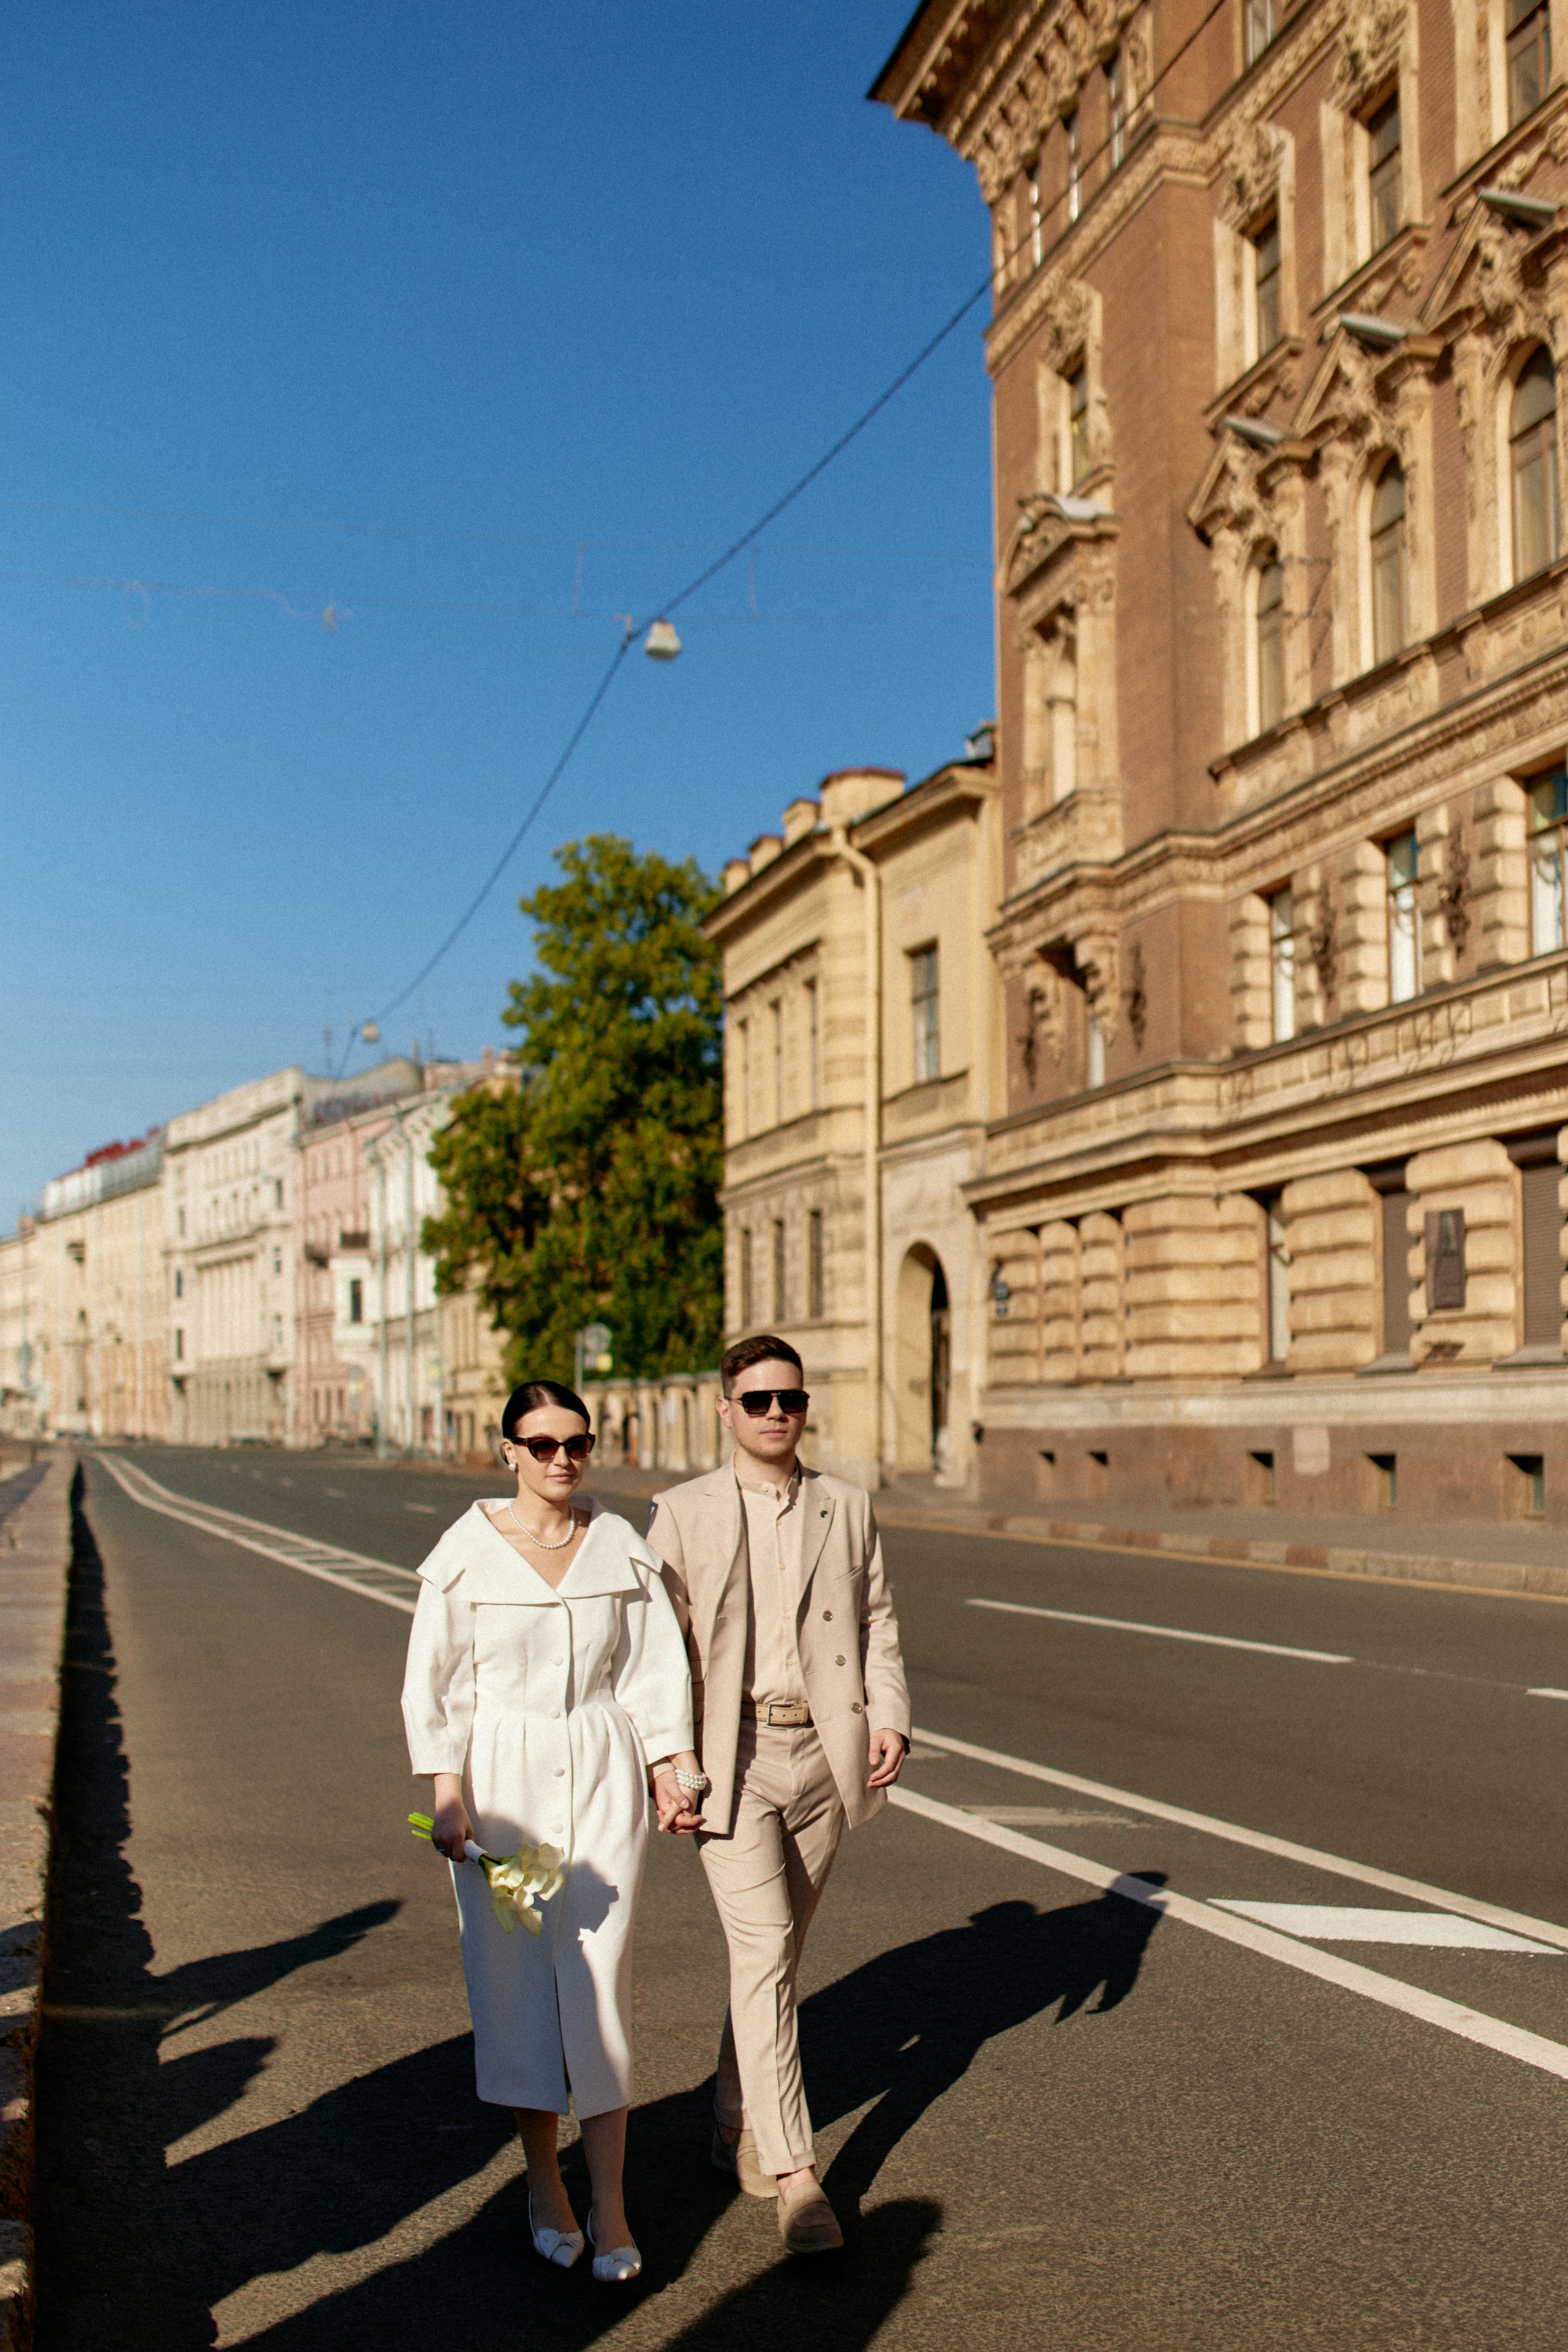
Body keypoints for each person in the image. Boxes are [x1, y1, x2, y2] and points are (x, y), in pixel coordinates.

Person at [401, 1379, 703, 2283]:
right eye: (541, 1444)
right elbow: (437, 1684)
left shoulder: (619, 1547)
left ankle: (609, 2202)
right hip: (504, 1785)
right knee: (519, 1983)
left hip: (602, 1765)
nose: (562, 1458)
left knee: (600, 1981)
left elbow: (655, 1672)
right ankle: (546, 2184)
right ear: (508, 1453)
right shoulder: (465, 1555)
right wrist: (446, 1793)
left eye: (576, 1442)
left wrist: (670, 1767)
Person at [646, 1334, 911, 2253]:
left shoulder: (846, 1505)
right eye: (756, 1400)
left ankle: (733, 2120)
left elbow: (877, 1617)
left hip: (824, 1755)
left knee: (780, 1957)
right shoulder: (681, 1514)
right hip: (734, 1757)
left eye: (788, 1399)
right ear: (726, 1410)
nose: (775, 1414)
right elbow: (656, 1656)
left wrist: (892, 1714)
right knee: (762, 1953)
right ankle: (798, 2178)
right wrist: (664, 1760)